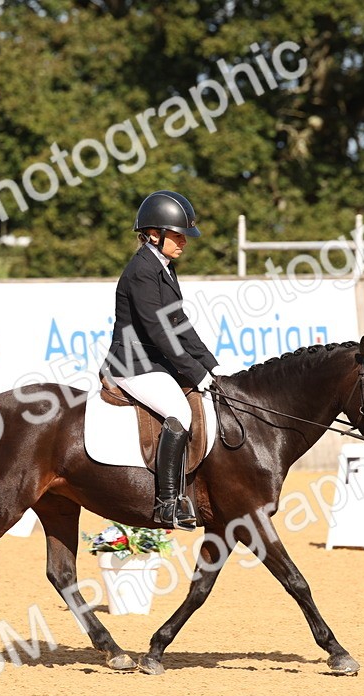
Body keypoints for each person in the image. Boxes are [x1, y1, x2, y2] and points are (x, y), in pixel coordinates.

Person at [103, 190, 219, 531]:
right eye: (177, 234)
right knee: (180, 412)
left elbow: (180, 324)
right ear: (154, 233)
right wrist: (195, 372)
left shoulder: (164, 268)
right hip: (132, 365)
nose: (184, 241)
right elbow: (158, 332)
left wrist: (211, 365)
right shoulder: (141, 271)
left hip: (154, 363)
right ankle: (167, 502)